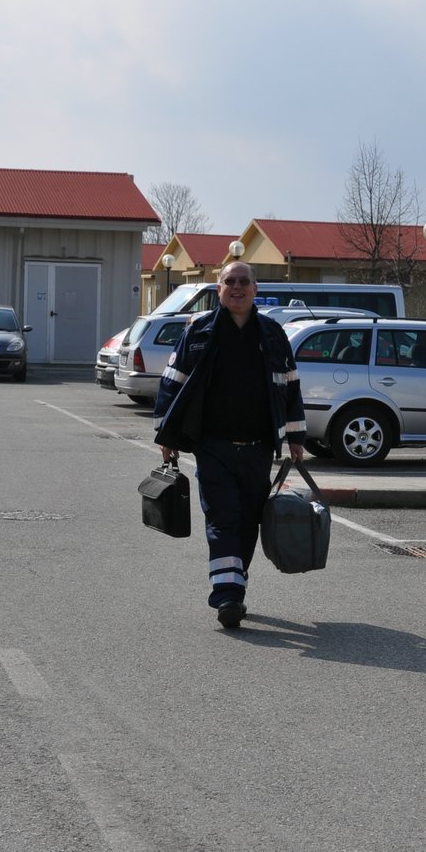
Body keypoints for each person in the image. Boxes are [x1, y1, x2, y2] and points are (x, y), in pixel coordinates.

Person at [154, 261, 306, 629]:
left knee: (249, 521)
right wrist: (165, 434)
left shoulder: (272, 334)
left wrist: (297, 437)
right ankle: (228, 596)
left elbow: (290, 386)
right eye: (229, 282)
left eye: (244, 282)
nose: (237, 287)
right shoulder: (200, 331)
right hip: (212, 446)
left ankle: (233, 581)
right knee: (223, 519)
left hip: (258, 448)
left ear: (255, 289)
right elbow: (172, 382)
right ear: (218, 289)